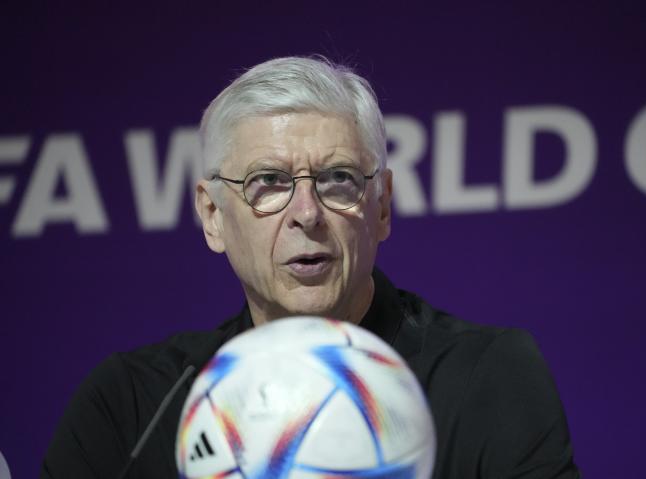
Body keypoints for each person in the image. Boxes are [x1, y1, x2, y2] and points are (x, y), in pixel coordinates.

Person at [41, 56, 580, 478]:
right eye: (268, 182)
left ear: (382, 207)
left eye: (338, 179)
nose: (307, 213)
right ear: (213, 216)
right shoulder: (134, 407)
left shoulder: (489, 378)